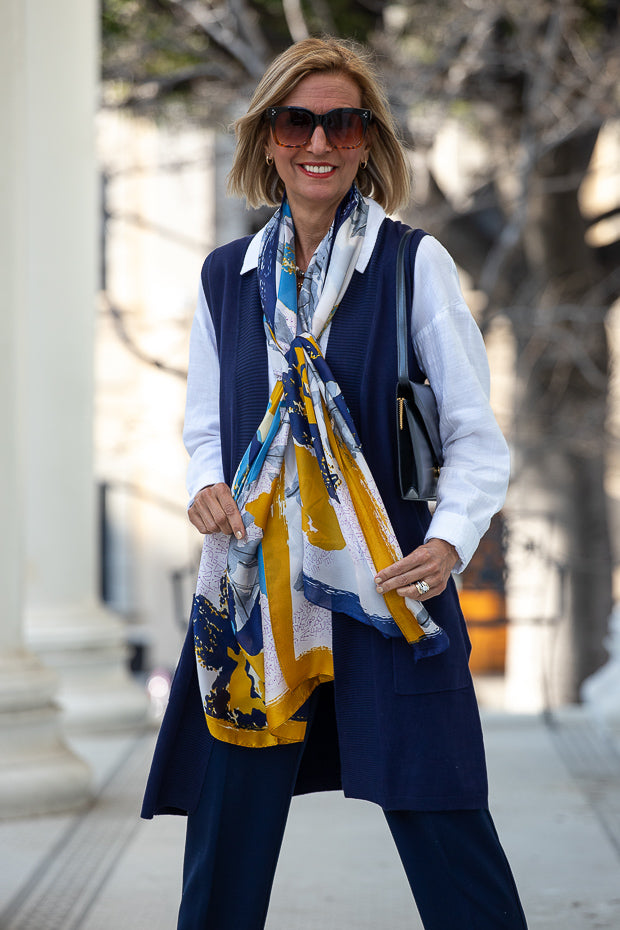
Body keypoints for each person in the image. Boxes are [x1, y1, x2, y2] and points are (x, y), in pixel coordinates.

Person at [142, 36, 528, 930]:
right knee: (222, 869)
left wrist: (449, 540)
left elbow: (476, 439)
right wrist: (206, 485)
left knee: (449, 838)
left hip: (385, 591)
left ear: (367, 143)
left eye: (342, 123)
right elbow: (206, 425)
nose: (320, 142)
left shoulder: (411, 264)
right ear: (268, 137)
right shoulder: (224, 279)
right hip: (253, 604)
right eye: (298, 120)